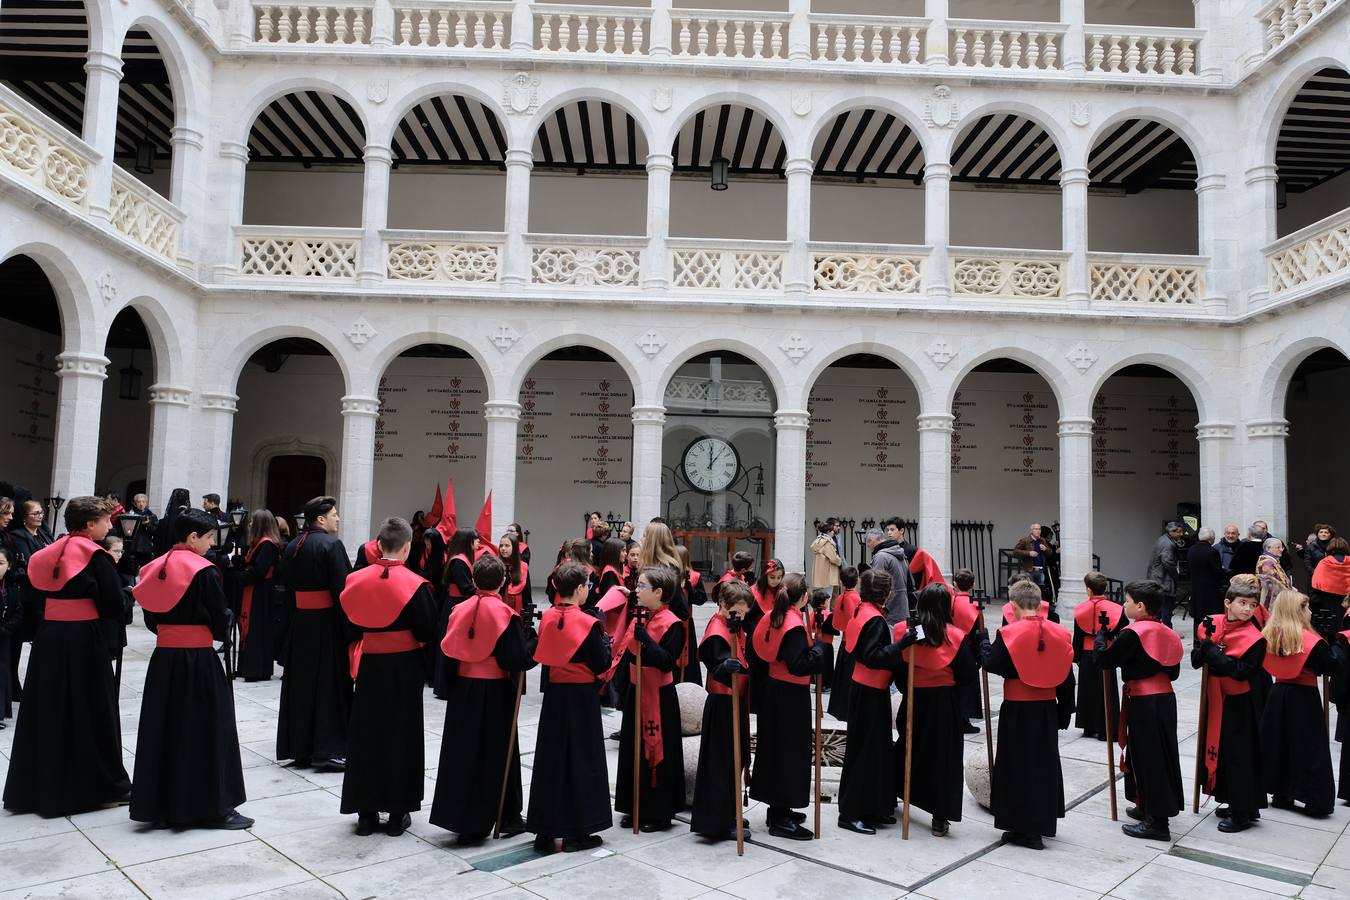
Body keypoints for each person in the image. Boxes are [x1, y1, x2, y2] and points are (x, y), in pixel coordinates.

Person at [3, 496, 131, 816]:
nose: (110, 525)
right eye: (105, 520)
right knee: (90, 707)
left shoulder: (43, 552)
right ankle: (98, 788)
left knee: (47, 708)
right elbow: (114, 605)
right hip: (84, 638)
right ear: (89, 524)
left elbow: (32, 598)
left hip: (49, 638)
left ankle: (34, 788)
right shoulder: (95, 555)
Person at [129, 508, 250, 830]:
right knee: (206, 728)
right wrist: (224, 621)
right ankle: (211, 807)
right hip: (197, 659)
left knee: (165, 727)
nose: (212, 543)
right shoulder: (204, 571)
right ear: (193, 537)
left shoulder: (153, 568)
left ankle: (161, 803)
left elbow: (152, 619)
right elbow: (219, 617)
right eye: (209, 537)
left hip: (164, 659)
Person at [339, 517, 439, 837]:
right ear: (408, 547)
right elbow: (427, 630)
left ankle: (365, 814)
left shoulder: (354, 579)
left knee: (366, 735)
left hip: (370, 664)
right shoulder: (417, 585)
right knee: (402, 735)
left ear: (379, 544)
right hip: (405, 666)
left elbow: (349, 626)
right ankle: (397, 814)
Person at [431, 554, 537, 844]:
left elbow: (448, 654)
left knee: (462, 752)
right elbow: (515, 659)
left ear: (473, 578)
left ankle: (461, 817)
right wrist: (533, 642)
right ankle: (507, 816)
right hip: (494, 694)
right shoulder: (505, 614)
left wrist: (451, 687)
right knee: (497, 754)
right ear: (502, 581)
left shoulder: (458, 610)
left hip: (464, 690)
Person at [979, 578, 1075, 849]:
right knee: (1041, 767)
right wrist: (1065, 712)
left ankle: (1023, 828)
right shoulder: (1060, 632)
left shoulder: (1009, 633)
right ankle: (1037, 826)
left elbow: (992, 664)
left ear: (1013, 605)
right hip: (1047, 710)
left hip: (1018, 711)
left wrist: (983, 642)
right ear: (1039, 604)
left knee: (1017, 768)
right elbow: (1067, 678)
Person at [528, 560, 612, 853]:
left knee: (551, 761)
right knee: (582, 761)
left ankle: (545, 830)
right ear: (579, 589)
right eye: (587, 586)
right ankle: (579, 831)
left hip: (554, 697)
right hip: (581, 699)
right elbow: (601, 664)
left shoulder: (548, 617)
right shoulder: (588, 623)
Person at [1094, 580, 1184, 841]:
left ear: (1141, 606)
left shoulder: (1133, 634)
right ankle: (1149, 806)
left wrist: (1101, 640)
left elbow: (1104, 661)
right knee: (1159, 754)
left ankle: (1157, 822)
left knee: (1149, 758)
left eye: (1127, 601)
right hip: (1165, 700)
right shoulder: (1166, 631)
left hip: (1144, 702)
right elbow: (1174, 672)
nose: (1124, 605)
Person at [748, 571, 829, 839]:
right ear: (804, 597)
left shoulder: (775, 616)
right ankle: (781, 818)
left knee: (777, 751)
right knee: (788, 753)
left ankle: (779, 808)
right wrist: (820, 649)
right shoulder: (792, 624)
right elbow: (798, 665)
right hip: (790, 695)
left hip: (773, 691)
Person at [275, 496, 352, 770]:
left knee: (302, 687)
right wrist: (351, 632)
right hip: (326, 625)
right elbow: (344, 591)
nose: (338, 519)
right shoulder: (332, 545)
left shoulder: (293, 545)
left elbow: (283, 586)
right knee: (328, 686)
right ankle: (327, 749)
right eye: (334, 515)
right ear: (321, 519)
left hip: (300, 624)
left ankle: (300, 747)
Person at [892, 583, 974, 837]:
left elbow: (898, 668)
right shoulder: (955, 636)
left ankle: (896, 792)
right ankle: (940, 817)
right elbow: (967, 676)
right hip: (943, 704)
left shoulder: (907, 631)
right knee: (943, 759)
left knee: (908, 748)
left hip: (915, 699)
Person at [836, 569, 913, 835]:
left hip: (867, 689)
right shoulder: (875, 619)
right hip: (869, 691)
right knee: (865, 753)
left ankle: (872, 807)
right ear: (886, 593)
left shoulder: (863, 611)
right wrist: (902, 646)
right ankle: (851, 812)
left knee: (873, 751)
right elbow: (873, 656)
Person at [1192, 574, 1267, 832]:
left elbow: (1242, 671)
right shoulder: (1209, 624)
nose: (1248, 609)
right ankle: (1231, 798)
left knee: (1239, 755)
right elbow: (1196, 658)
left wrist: (1212, 652)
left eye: (1252, 605)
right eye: (1243, 603)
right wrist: (1202, 650)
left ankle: (1243, 811)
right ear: (1228, 602)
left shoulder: (1255, 638)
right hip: (1214, 697)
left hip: (1238, 702)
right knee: (1220, 750)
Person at [614, 565, 686, 832]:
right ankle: (635, 805)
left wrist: (648, 642)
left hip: (659, 695)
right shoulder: (639, 617)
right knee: (633, 748)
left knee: (658, 752)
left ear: (658, 592)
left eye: (642, 586)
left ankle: (659, 812)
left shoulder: (673, 624)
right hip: (636, 690)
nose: (637, 590)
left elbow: (668, 662)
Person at [1260, 589, 1335, 818]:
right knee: (1309, 748)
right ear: (1298, 611)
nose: (1311, 612)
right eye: (1307, 607)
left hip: (1277, 694)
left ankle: (1281, 793)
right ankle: (1316, 800)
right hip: (1304, 696)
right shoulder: (1312, 642)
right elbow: (1330, 667)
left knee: (1279, 744)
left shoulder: (1268, 636)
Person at [690, 579, 752, 841]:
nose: (741, 617)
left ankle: (730, 811)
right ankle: (718, 820)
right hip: (723, 702)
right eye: (738, 611)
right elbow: (715, 665)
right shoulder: (717, 630)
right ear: (724, 605)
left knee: (732, 761)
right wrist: (727, 668)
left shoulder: (731, 624)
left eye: (745, 613)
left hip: (735, 701)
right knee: (721, 764)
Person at [7, 498, 52, 700]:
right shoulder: (18, 537)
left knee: (42, 643)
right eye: (35, 513)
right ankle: (13, 686)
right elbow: (29, 565)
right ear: (24, 517)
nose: (40, 516)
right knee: (16, 645)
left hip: (44, 597)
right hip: (27, 597)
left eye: (41, 512)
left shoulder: (43, 534)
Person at [1072, 572, 1123, 740]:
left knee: (1087, 689)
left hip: (1087, 654)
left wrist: (1076, 656)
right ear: (1105, 588)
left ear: (1088, 590)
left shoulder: (1080, 610)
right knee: (1107, 690)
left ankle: (1089, 726)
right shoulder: (1116, 608)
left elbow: (1078, 636)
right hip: (1107, 652)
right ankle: (1107, 729)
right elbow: (1123, 627)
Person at [235, 510, 283, 682]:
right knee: (255, 628)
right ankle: (249, 668)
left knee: (257, 629)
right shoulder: (260, 544)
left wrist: (239, 577)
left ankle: (256, 669)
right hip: (257, 590)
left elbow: (259, 572)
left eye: (252, 521)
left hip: (261, 592)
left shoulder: (267, 544)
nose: (249, 524)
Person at [435, 527, 480, 698]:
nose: (479, 543)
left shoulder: (459, 560)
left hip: (457, 603)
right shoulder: (459, 561)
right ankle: (446, 686)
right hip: (456, 604)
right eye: (476, 540)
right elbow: (466, 588)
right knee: (451, 644)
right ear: (468, 541)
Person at [949, 568, 984, 734]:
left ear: (954, 584)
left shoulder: (948, 601)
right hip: (967, 649)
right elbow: (977, 632)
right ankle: (964, 721)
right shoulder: (975, 605)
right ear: (973, 585)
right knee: (966, 687)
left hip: (949, 647)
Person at [827, 565, 862, 721]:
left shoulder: (841, 598)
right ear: (857, 581)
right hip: (854, 643)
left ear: (841, 582)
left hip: (844, 643)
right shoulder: (856, 599)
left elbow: (837, 625)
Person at [863, 527, 909, 625]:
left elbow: (876, 585)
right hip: (902, 605)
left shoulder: (881, 557)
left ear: (871, 540)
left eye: (868, 544)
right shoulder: (899, 552)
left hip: (889, 609)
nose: (869, 547)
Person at [675, 544, 706, 685]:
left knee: (689, 657)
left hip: (688, 621)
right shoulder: (671, 576)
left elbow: (701, 599)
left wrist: (689, 588)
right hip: (673, 621)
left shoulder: (694, 577)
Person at [1145, 522, 1184, 628]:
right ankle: (1167, 630)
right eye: (1179, 532)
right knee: (1166, 606)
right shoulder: (1168, 544)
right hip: (1162, 580)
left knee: (1160, 607)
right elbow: (1168, 562)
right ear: (1171, 532)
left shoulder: (1163, 539)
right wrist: (1176, 575)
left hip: (1157, 578)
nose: (1181, 534)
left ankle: (1158, 629)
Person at [1310, 537, 1350, 637]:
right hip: (1347, 605)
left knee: (1331, 636)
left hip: (1328, 607)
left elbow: (1316, 585)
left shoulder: (1324, 563)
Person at [1187, 527, 1225, 633]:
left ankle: (1197, 643)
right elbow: (1217, 572)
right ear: (1212, 538)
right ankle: (1207, 641)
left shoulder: (1191, 549)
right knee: (1210, 619)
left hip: (1196, 589)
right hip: (1210, 591)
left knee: (1198, 619)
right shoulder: (1212, 551)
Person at [0, 547, 20, 725]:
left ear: (9, 565)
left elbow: (18, 612)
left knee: (3, 674)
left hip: (4, 637)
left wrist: (6, 629)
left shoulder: (12, 588)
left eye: (1, 563)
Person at [1013, 523, 1056, 596]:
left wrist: (1045, 549)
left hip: (1040, 570)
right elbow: (1015, 552)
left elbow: (1050, 553)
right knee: (1028, 591)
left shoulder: (1042, 540)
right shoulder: (1025, 540)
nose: (1038, 531)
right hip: (1029, 570)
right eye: (1036, 529)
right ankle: (1029, 606)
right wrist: (1028, 553)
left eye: (1039, 529)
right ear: (1031, 531)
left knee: (1039, 591)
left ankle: (1037, 606)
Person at [1256, 537, 1293, 611]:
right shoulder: (1268, 562)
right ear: (1268, 548)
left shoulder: (1273, 561)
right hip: (1272, 602)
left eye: (1281, 547)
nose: (1281, 550)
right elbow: (1271, 585)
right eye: (1278, 547)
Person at [153, 488, 190, 558]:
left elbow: (157, 544)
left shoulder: (163, 522)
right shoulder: (190, 520)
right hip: (183, 557)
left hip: (165, 557)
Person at [499, 532, 531, 615]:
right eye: (501, 545)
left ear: (515, 548)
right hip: (498, 608)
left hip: (516, 610)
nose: (503, 548)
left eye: (507, 545)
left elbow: (527, 594)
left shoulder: (522, 566)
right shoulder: (495, 565)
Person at [125, 493, 158, 571]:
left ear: (146, 503)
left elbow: (155, 531)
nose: (141, 504)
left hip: (146, 547)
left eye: (143, 502)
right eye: (139, 502)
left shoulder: (151, 516)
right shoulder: (129, 515)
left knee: (146, 570)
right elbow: (126, 530)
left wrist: (147, 525)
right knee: (131, 570)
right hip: (133, 547)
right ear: (135, 503)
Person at [810, 519, 842, 593]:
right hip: (827, 576)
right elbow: (834, 558)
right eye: (832, 531)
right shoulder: (827, 542)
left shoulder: (819, 541)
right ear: (828, 532)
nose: (833, 533)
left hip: (820, 576)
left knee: (821, 597)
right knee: (827, 597)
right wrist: (840, 561)